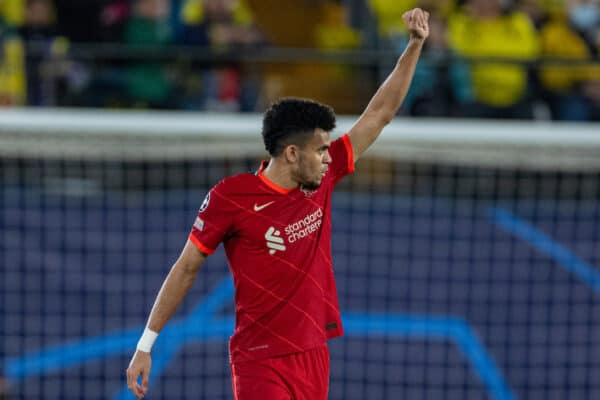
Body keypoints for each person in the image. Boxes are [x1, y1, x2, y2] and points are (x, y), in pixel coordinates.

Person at [126, 7, 429, 400]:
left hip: (313, 353)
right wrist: (146, 345)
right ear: (290, 153)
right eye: (319, 149)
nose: (327, 156)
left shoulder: (323, 174)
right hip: (259, 360)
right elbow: (185, 268)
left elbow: (380, 114)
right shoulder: (230, 198)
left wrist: (415, 44)